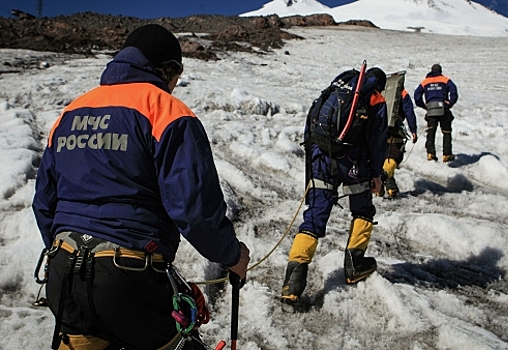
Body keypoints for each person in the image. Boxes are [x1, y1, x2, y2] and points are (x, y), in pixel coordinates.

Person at [32, 24, 250, 350]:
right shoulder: (165, 110)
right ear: (166, 69)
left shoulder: (71, 112)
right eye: (177, 74)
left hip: (63, 271)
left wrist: (67, 252)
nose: (175, 85)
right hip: (128, 274)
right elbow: (193, 205)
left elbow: (44, 202)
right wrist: (232, 255)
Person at [281, 67, 388, 303]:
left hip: (322, 155)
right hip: (353, 162)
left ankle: (292, 283)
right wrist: (377, 174)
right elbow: (377, 140)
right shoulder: (375, 97)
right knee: (363, 210)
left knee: (315, 215)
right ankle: (355, 266)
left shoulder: (339, 87)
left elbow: (313, 118)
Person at [413, 63, 459, 163]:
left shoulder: (425, 81)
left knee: (431, 130)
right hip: (443, 107)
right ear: (440, 71)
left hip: (431, 108)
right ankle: (447, 154)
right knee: (446, 131)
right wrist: (450, 103)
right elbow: (454, 90)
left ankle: (430, 153)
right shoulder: (445, 80)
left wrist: (423, 105)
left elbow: (417, 95)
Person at [381, 86, 418, 198]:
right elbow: (409, 112)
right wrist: (413, 130)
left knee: (381, 159)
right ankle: (385, 183)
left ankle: (387, 188)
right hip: (395, 130)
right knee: (393, 157)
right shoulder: (402, 93)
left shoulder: (381, 91)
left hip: (378, 130)